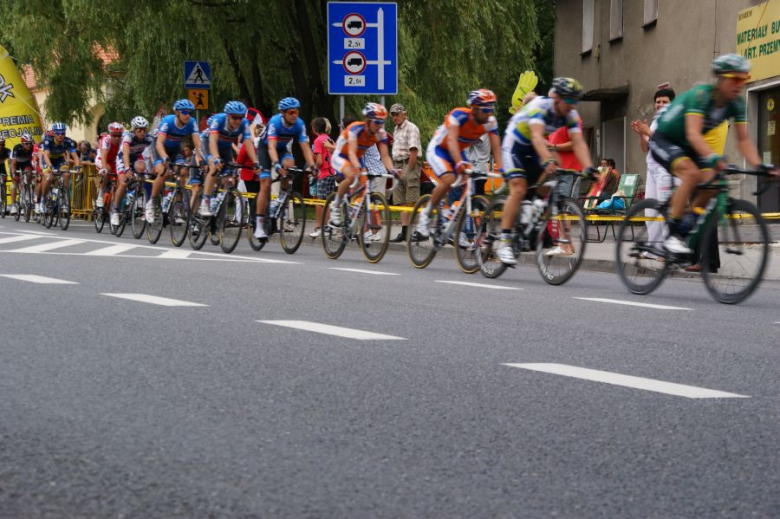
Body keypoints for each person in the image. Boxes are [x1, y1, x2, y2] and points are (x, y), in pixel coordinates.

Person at [649, 54, 779, 255]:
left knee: (712, 182)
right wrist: (713, 158)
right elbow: (693, 134)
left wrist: (761, 165)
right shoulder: (702, 96)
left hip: (686, 145)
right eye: (734, 79)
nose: (739, 85)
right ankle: (672, 235)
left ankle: (686, 225)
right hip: (665, 138)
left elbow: (744, 140)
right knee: (691, 173)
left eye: (743, 80)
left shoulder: (736, 104)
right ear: (721, 79)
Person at [496, 78, 596, 264]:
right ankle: (504, 242)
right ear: (556, 98)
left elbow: (579, 142)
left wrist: (589, 167)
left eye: (575, 101)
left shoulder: (570, 114)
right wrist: (548, 158)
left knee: (548, 182)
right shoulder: (540, 107)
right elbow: (535, 136)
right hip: (515, 144)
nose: (572, 105)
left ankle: (530, 212)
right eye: (569, 100)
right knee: (518, 188)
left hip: (535, 146)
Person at [416, 89, 504, 238]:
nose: (490, 113)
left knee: (468, 182)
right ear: (475, 109)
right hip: (439, 149)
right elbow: (451, 141)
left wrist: (502, 170)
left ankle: (449, 217)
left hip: (458, 151)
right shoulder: (459, 115)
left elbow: (496, 147)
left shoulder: (490, 122)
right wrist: (458, 163)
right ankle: (425, 215)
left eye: (492, 109)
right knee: (449, 179)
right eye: (486, 109)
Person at [254, 97, 315, 240]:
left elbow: (305, 147)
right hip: (266, 149)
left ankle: (279, 200)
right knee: (266, 183)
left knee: (290, 166)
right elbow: (271, 147)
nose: (295, 115)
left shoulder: (299, 124)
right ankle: (259, 225)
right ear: (283, 113)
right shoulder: (275, 122)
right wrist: (275, 164)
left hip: (282, 150)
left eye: (297, 112)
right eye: (291, 112)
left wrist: (312, 166)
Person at [328, 104, 396, 227]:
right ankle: (335, 206)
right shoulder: (355, 129)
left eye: (382, 122)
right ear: (368, 121)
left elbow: (385, 156)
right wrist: (357, 169)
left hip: (357, 157)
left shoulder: (380, 134)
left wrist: (393, 170)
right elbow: (351, 152)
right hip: (342, 155)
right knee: (351, 176)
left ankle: (353, 215)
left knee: (364, 187)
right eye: (377, 122)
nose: (379, 126)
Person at [631, 88, 675, 260]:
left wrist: (647, 131)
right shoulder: (656, 121)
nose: (660, 104)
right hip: (652, 170)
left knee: (665, 210)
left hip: (665, 171)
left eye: (664, 102)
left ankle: (667, 249)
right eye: (658, 101)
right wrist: (642, 134)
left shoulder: (672, 120)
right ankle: (653, 248)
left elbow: (664, 143)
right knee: (650, 212)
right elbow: (645, 149)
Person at [198, 101, 258, 217]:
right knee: (214, 168)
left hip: (225, 146)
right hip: (207, 144)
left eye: (240, 118)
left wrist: (255, 162)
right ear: (228, 116)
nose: (238, 121)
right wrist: (215, 158)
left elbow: (248, 144)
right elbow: (213, 141)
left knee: (229, 174)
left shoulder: (244, 123)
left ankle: (220, 201)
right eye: (235, 118)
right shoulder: (219, 120)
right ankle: (205, 202)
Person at [146, 99, 202, 223]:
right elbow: (159, 143)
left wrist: (199, 159)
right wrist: (164, 157)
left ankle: (177, 206)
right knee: (164, 172)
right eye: (185, 112)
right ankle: (152, 202)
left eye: (190, 113)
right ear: (177, 113)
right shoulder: (168, 121)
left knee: (183, 171)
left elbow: (198, 144)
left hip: (175, 149)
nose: (188, 115)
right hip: (159, 148)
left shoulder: (192, 122)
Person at [388, 103, 422, 242]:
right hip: (398, 163)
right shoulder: (396, 129)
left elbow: (413, 151)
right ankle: (404, 231)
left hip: (409, 162)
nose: (395, 117)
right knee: (401, 201)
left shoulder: (411, 128)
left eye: (397, 114)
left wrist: (408, 170)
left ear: (404, 114)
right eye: (393, 115)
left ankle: (419, 231)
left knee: (412, 199)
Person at [111, 116, 153, 225]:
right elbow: (125, 154)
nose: (142, 132)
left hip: (136, 158)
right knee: (124, 183)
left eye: (144, 129)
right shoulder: (128, 137)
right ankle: (115, 210)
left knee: (143, 171)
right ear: (134, 129)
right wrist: (126, 168)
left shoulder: (149, 138)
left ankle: (138, 196)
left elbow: (153, 154)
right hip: (123, 158)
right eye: (139, 130)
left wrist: (155, 167)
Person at [40, 122, 80, 214]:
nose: (60, 135)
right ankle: (43, 198)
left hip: (59, 159)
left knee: (66, 174)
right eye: (58, 133)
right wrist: (50, 167)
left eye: (63, 133)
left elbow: (75, 156)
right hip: (48, 160)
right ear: (54, 133)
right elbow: (46, 156)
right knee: (49, 177)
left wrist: (78, 167)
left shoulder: (68, 141)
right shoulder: (48, 140)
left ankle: (65, 199)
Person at [309, 117, 336, 238]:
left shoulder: (317, 141)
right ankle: (329, 227)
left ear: (314, 129)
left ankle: (321, 227)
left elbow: (319, 161)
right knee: (329, 201)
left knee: (320, 201)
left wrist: (314, 169)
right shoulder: (329, 138)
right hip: (332, 172)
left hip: (323, 173)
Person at [95, 122, 125, 209]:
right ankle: (100, 194)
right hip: (102, 159)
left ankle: (115, 204)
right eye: (114, 135)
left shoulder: (123, 140)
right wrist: (104, 168)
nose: (117, 138)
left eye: (119, 135)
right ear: (110, 134)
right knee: (107, 169)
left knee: (121, 179)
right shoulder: (106, 139)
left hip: (114, 161)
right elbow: (104, 155)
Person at [9, 135, 35, 215]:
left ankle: (27, 191)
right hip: (16, 163)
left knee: (29, 173)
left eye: (30, 143)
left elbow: (34, 160)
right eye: (26, 144)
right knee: (15, 181)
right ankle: (13, 205)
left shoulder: (33, 148)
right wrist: (14, 174)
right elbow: (13, 164)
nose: (29, 145)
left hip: (26, 163)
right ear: (22, 143)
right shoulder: (17, 148)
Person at [0, 136, 10, 213]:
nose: (1, 146)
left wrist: (11, 171)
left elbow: (11, 161)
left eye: (3, 144)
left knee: (4, 181)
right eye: (0, 144)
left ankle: (3, 198)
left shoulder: (7, 151)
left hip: (2, 167)